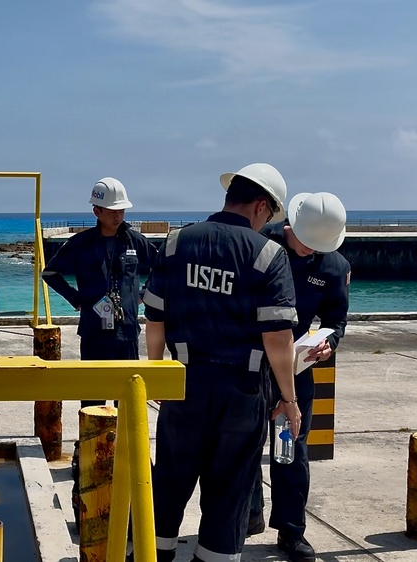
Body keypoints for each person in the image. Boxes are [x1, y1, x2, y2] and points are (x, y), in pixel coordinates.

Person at [142, 163, 303, 562]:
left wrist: (158, 373)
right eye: (269, 216)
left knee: (169, 482)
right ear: (261, 206)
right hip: (241, 393)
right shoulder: (268, 255)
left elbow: (155, 320)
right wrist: (289, 399)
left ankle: (151, 554)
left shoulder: (177, 243)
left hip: (182, 385)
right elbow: (278, 340)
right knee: (229, 492)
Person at [247, 192, 350, 562]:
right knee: (243, 443)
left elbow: (337, 319)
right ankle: (250, 513)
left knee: (291, 451)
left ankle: (291, 532)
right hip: (251, 361)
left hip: (296, 369)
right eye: (307, 244)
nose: (311, 252)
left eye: (319, 248)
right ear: (291, 226)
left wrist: (330, 342)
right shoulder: (260, 245)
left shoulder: (334, 266)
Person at [42, 177, 158, 407]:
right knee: (93, 396)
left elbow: (162, 268)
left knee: (127, 397)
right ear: (97, 211)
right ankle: (90, 443)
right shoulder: (80, 243)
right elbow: (50, 274)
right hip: (94, 332)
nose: (118, 216)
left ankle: (124, 444)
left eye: (122, 210)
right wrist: (77, 300)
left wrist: (144, 294)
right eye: (113, 211)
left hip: (127, 333)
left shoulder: (135, 241)